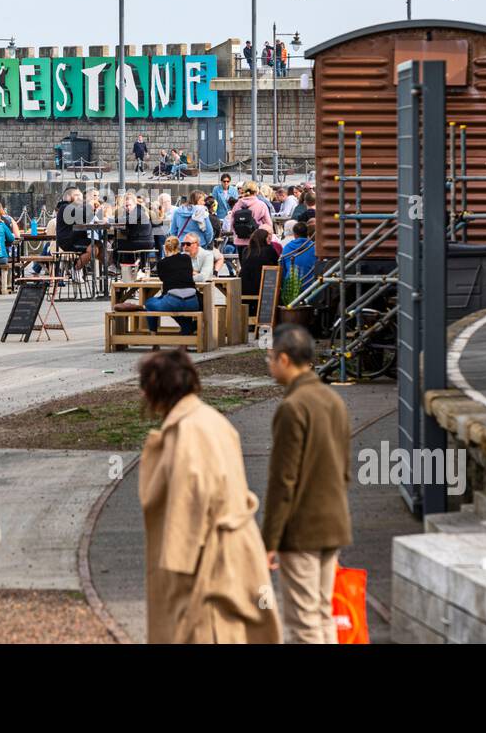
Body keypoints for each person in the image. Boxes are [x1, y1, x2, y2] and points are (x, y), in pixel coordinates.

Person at [137, 350, 280, 644]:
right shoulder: (210, 419)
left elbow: (187, 511)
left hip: (209, 564)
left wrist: (177, 577)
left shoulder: (188, 432)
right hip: (236, 552)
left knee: (210, 632)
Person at [261, 325, 352, 644]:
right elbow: (344, 467)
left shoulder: (292, 407)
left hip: (301, 529)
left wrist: (269, 539)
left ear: (284, 359)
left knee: (303, 623)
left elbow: (282, 480)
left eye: (271, 358)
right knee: (323, 613)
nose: (270, 364)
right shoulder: (332, 399)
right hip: (334, 522)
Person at [139, 235, 200, 335]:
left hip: (173, 301)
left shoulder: (162, 263)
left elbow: (163, 279)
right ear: (179, 246)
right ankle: (187, 328)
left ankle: (153, 335)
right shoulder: (186, 258)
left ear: (165, 248)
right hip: (193, 302)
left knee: (149, 303)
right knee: (175, 306)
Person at [240, 227, 281, 318]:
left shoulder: (246, 250)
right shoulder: (269, 250)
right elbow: (276, 266)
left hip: (244, 286)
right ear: (263, 238)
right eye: (268, 238)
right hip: (263, 287)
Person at [224, 180, 274, 249]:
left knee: (242, 259)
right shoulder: (261, 205)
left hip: (240, 241)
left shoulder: (237, 204)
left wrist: (235, 234)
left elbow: (232, 223)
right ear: (256, 191)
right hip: (256, 241)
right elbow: (269, 225)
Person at [280, 221, 317, 292]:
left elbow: (283, 270)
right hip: (310, 287)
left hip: (291, 287)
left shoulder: (287, 247)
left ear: (294, 234)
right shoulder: (314, 247)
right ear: (307, 233)